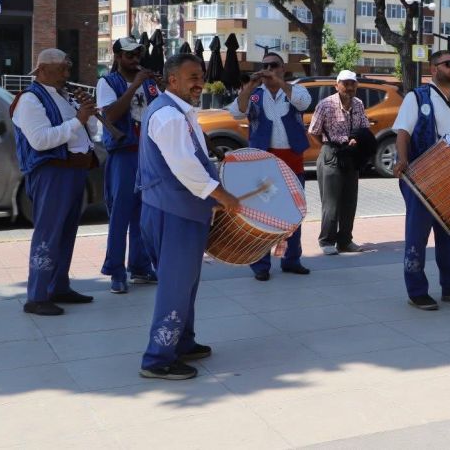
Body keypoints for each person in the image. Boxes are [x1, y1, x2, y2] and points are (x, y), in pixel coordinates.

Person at [138, 53, 239, 380]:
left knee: (186, 282)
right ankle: (158, 358)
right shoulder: (168, 115)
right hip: (172, 211)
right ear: (172, 81)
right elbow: (184, 166)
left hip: (179, 209)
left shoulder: (178, 111)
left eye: (201, 76)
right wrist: (221, 195)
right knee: (176, 284)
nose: (199, 82)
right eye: (192, 76)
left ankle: (183, 341)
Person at [392, 50, 450, 310]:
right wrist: (401, 160)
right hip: (422, 177)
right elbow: (403, 133)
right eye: (449, 64)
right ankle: (417, 290)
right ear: (434, 69)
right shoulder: (416, 97)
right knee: (416, 236)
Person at [10, 49, 99, 316]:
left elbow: (90, 132)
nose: (67, 74)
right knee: (48, 233)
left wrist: (89, 114)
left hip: (73, 171)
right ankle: (37, 296)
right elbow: (41, 140)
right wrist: (77, 120)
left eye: (68, 69)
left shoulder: (64, 97)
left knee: (67, 231)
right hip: (51, 173)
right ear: (43, 70)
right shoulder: (29, 100)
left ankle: (59, 286)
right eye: (63, 69)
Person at [229, 52, 312, 281]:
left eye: (273, 65)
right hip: (263, 161)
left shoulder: (295, 90)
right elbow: (236, 112)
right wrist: (250, 85)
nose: (268, 69)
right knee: (262, 214)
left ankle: (291, 259)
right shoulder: (255, 94)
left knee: (293, 213)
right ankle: (260, 265)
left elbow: (304, 103)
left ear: (282, 68)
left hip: (292, 159)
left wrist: (280, 84)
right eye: (264, 66)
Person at [97, 37, 161, 294]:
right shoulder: (106, 82)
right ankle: (116, 271)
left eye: (137, 55)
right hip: (123, 155)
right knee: (120, 216)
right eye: (129, 55)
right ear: (117, 57)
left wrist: (161, 87)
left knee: (144, 215)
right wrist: (135, 86)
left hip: (148, 154)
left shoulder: (148, 82)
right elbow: (110, 115)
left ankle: (140, 266)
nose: (135, 60)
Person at [310, 69, 369, 255]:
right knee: (331, 202)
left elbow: (365, 128)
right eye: (345, 83)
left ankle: (345, 240)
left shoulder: (359, 104)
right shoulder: (325, 105)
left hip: (351, 154)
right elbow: (313, 132)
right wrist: (329, 146)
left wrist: (357, 140)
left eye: (353, 83)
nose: (349, 87)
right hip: (331, 153)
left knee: (350, 200)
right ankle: (326, 240)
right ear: (337, 85)